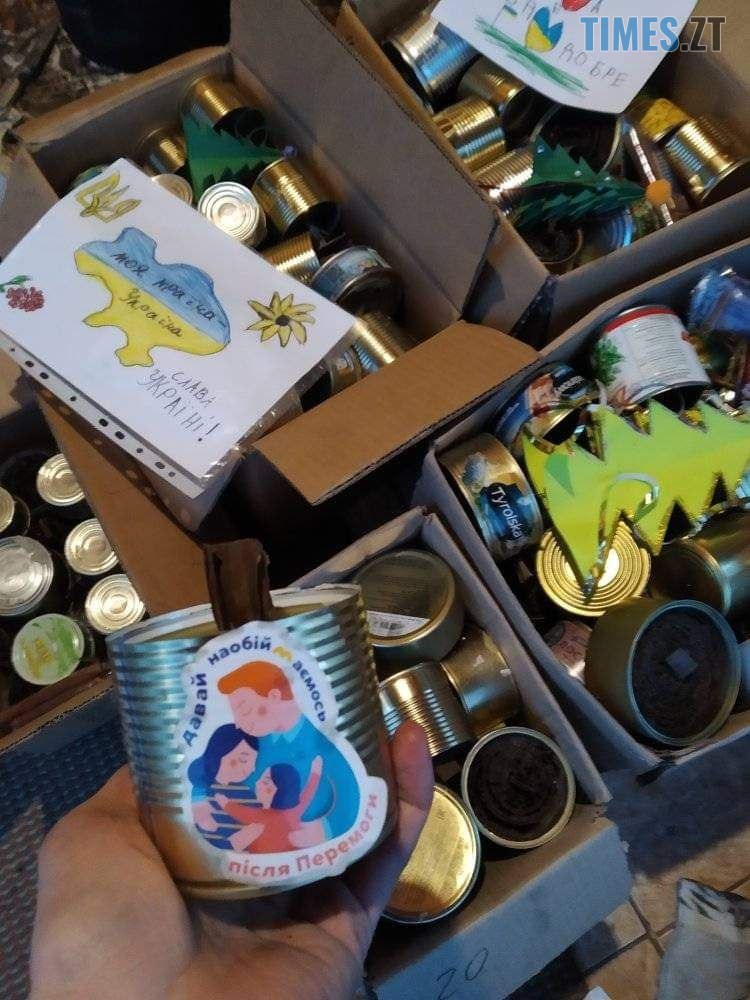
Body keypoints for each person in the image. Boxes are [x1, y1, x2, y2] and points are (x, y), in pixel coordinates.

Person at [30, 722, 433, 1000]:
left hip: (288, 879)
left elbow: (290, 803)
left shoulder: (254, 802)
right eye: (241, 760)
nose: (251, 771)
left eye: (254, 766)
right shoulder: (208, 790)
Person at [192, 661, 360, 844]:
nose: (238, 723)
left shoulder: (320, 741)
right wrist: (199, 799)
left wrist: (326, 829)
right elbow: (210, 761)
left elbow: (351, 791)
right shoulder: (252, 739)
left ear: (274, 696)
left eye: (244, 710)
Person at [217, 756, 325, 854]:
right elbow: (308, 792)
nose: (257, 783)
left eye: (265, 782)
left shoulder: (265, 816)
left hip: (266, 860)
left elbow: (243, 813)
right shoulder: (295, 810)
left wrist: (225, 803)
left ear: (281, 790)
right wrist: (316, 771)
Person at [187, 725, 260, 850]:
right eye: (243, 759)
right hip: (213, 854)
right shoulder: (202, 792)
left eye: (254, 761)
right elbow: (207, 830)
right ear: (219, 753)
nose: (252, 769)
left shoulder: (246, 793)